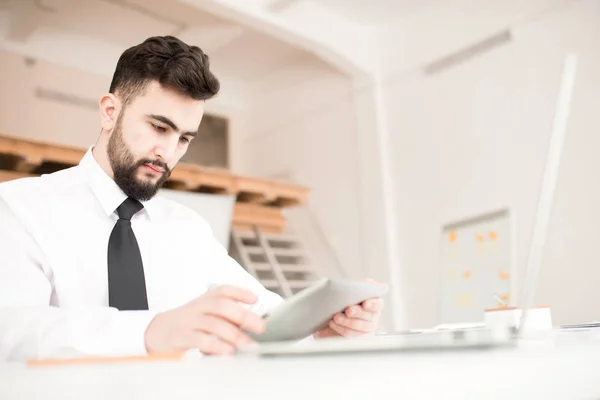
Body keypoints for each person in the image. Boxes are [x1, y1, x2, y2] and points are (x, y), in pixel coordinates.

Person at [0, 35, 384, 361]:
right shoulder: (19, 207)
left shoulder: (187, 228)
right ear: (110, 112)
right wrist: (151, 331)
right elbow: (13, 330)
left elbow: (260, 312)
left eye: (184, 138)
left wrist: (322, 330)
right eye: (159, 127)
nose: (167, 152)